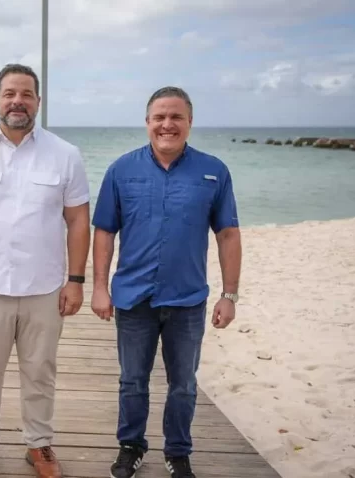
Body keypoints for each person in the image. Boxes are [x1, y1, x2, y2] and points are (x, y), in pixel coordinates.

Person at [90, 86, 242, 478]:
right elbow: (104, 231)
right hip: (133, 298)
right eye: (159, 117)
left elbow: (228, 234)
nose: (167, 124)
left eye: (176, 117)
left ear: (190, 123)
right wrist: (99, 287)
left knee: (184, 385)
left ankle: (178, 453)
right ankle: (131, 446)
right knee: (132, 381)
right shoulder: (121, 170)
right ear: (147, 123)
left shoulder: (214, 172)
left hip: (187, 299)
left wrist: (229, 295)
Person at [0, 64, 91, 478]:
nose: (17, 101)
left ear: (38, 102)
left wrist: (76, 281)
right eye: (9, 93)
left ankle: (39, 445)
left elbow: (78, 220)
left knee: (40, 371)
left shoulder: (65, 155)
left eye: (26, 94)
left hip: (45, 288)